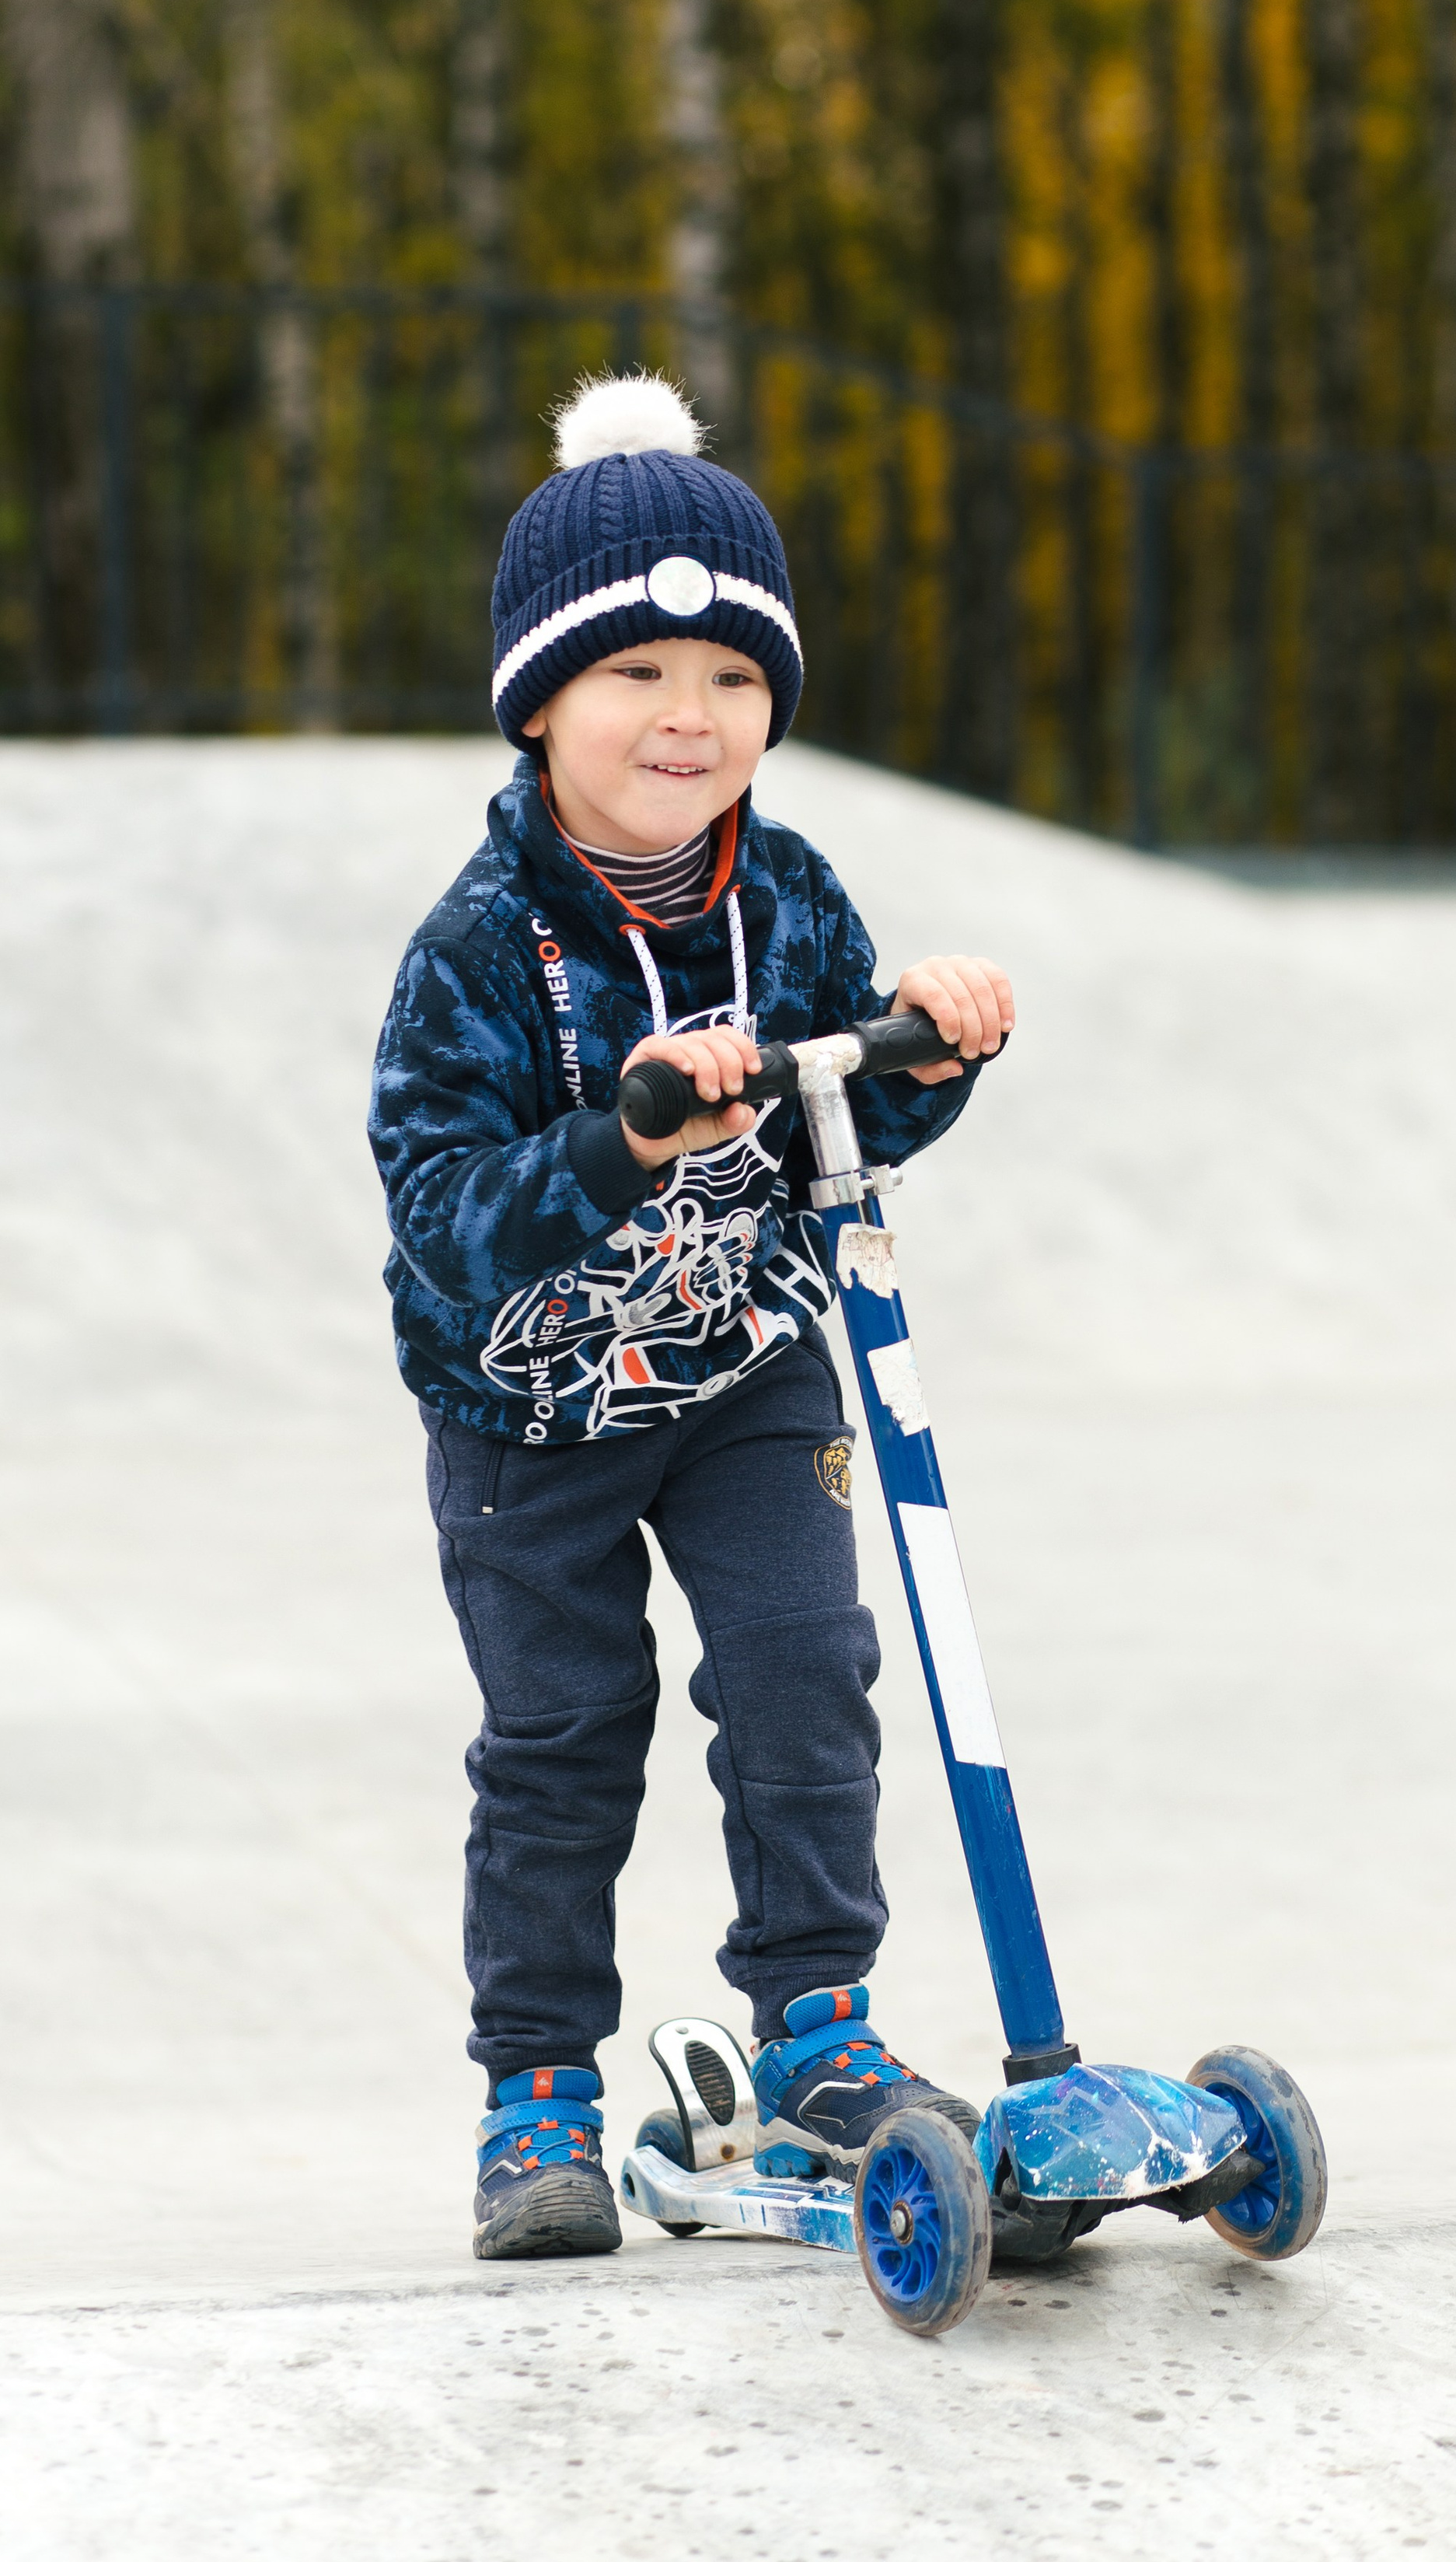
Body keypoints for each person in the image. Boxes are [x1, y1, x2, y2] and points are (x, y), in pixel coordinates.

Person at [369, 371, 1013, 2260]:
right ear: (537, 700)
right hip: (527, 1418)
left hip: (742, 1370)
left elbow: (839, 1126)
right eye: (636, 673)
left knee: (805, 1673)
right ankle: (535, 2098)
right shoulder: (474, 951)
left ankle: (817, 2027)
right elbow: (443, 1226)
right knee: (563, 1738)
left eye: (733, 676)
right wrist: (624, 1136)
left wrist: (930, 1050)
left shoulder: (788, 896)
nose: (688, 714)